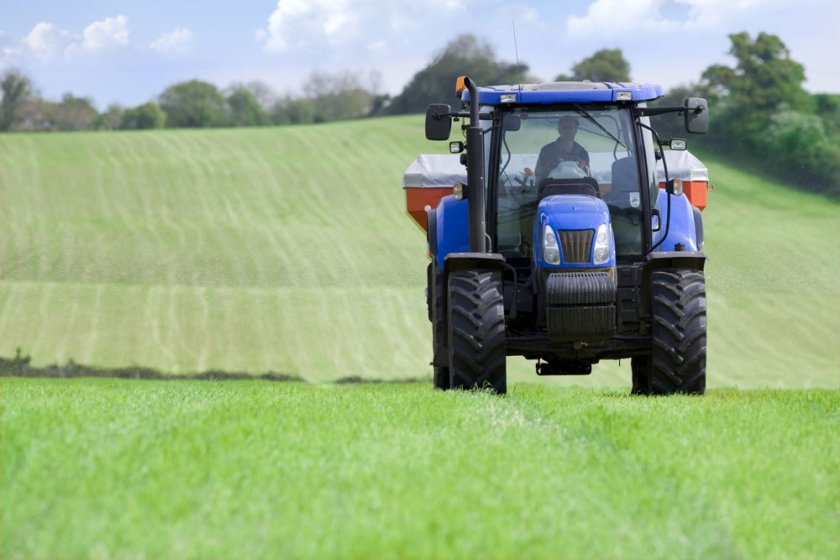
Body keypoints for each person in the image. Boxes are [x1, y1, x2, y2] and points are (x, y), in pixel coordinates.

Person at [524, 115, 590, 185]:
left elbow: (588, 177)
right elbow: (539, 177)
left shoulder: (582, 153)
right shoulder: (546, 151)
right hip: (551, 192)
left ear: (576, 130)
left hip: (578, 192)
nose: (567, 131)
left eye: (570, 128)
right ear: (559, 130)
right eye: (564, 127)